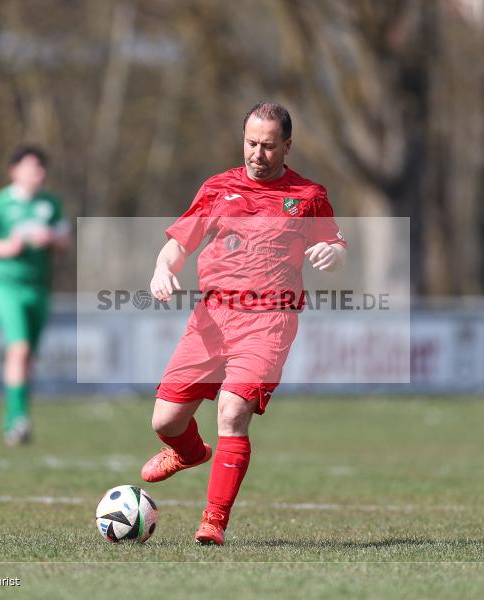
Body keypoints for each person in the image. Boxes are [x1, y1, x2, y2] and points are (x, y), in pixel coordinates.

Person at [142, 102, 347, 544]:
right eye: (251, 143)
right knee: (165, 421)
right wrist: (163, 269)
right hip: (211, 318)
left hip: (270, 321)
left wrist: (333, 254)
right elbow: (178, 245)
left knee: (232, 412)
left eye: (269, 146)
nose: (258, 154)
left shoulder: (309, 196)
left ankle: (213, 521)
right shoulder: (218, 188)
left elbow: (336, 245)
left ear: (287, 146)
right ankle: (188, 453)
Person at [0, 146, 71, 445]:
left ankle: (18, 417)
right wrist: (7, 247)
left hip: (39, 287)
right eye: (31, 168)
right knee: (19, 349)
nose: (36, 174)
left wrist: (51, 238)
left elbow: (66, 241)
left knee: (28, 356)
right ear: (14, 170)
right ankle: (15, 419)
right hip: (7, 285)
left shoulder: (50, 204)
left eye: (41, 169)